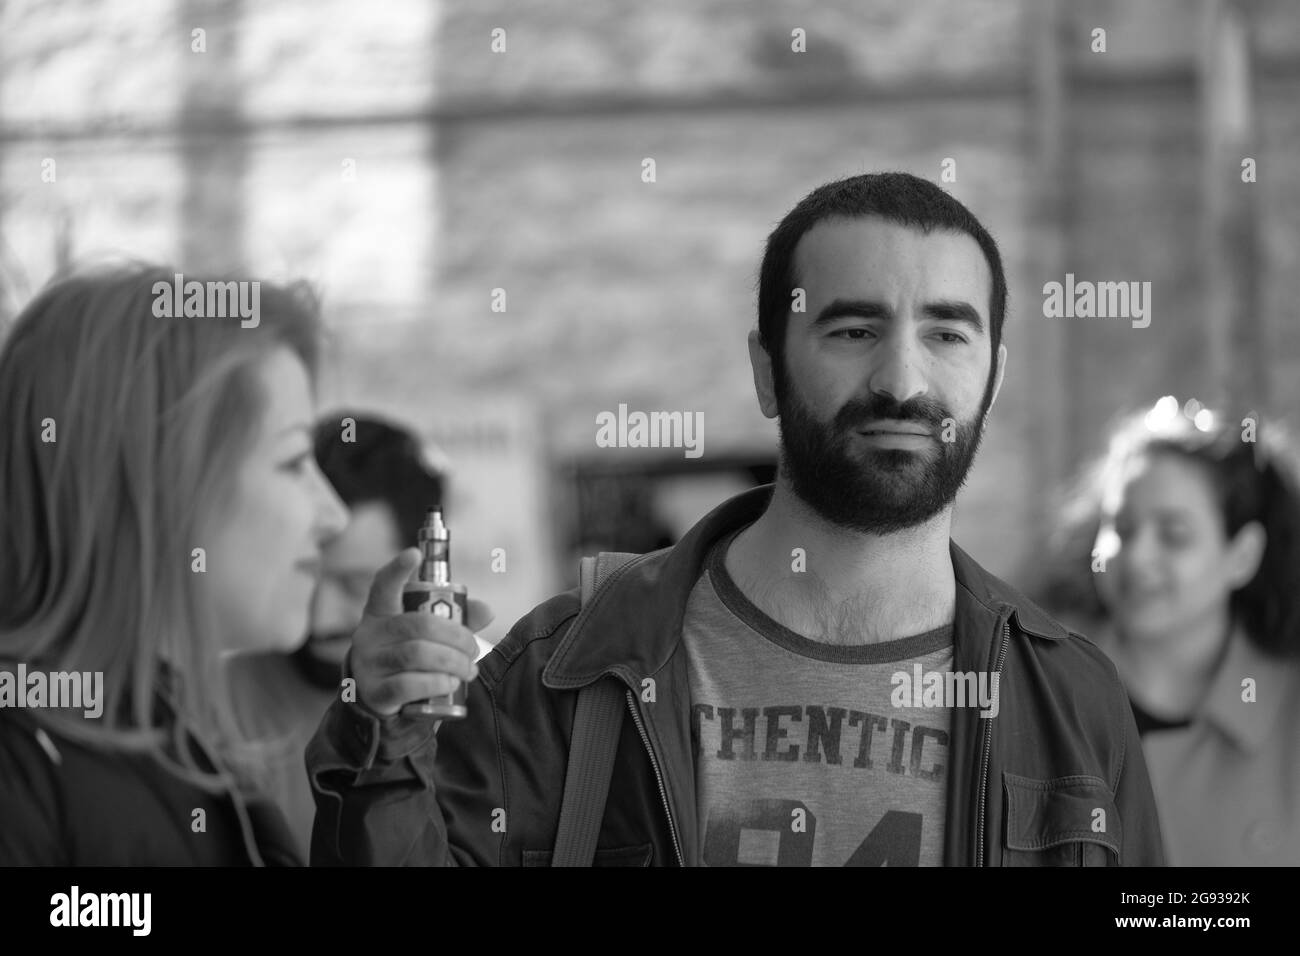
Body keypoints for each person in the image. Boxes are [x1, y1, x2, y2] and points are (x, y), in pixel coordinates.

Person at [307, 172, 1165, 866]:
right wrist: (385, 744)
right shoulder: (559, 679)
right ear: (767, 371)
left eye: (948, 335)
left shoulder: (1073, 702)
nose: (903, 380)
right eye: (854, 330)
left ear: (994, 378)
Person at [0, 264, 348, 865]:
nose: (332, 515)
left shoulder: (168, 739)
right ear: (167, 487)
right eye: (293, 462)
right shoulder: (26, 768)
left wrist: (386, 749)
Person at [1048, 397, 1300, 865]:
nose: (1138, 556)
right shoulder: (1040, 683)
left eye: (1174, 533)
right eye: (1122, 526)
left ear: (1241, 556)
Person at [227, 413, 450, 859]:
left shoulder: (490, 709)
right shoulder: (206, 707)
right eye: (304, 575)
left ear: (425, 572)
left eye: (356, 585)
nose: (320, 617)